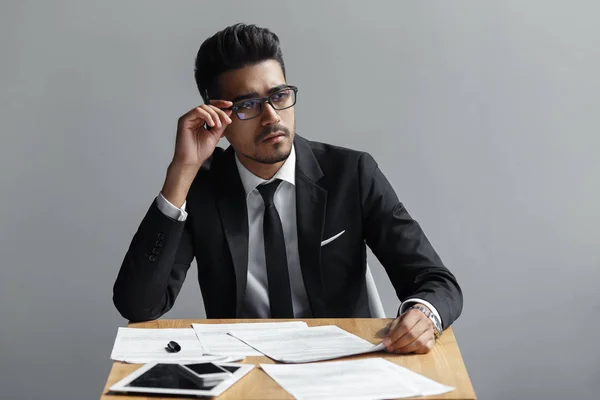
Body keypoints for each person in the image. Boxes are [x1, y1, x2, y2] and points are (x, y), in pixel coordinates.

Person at [113, 23, 462, 354]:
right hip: (246, 370)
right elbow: (139, 304)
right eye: (247, 105)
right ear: (216, 116)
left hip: (347, 364)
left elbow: (436, 280)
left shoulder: (351, 174)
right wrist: (181, 172)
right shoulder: (201, 187)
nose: (272, 117)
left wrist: (425, 315)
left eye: (279, 95)